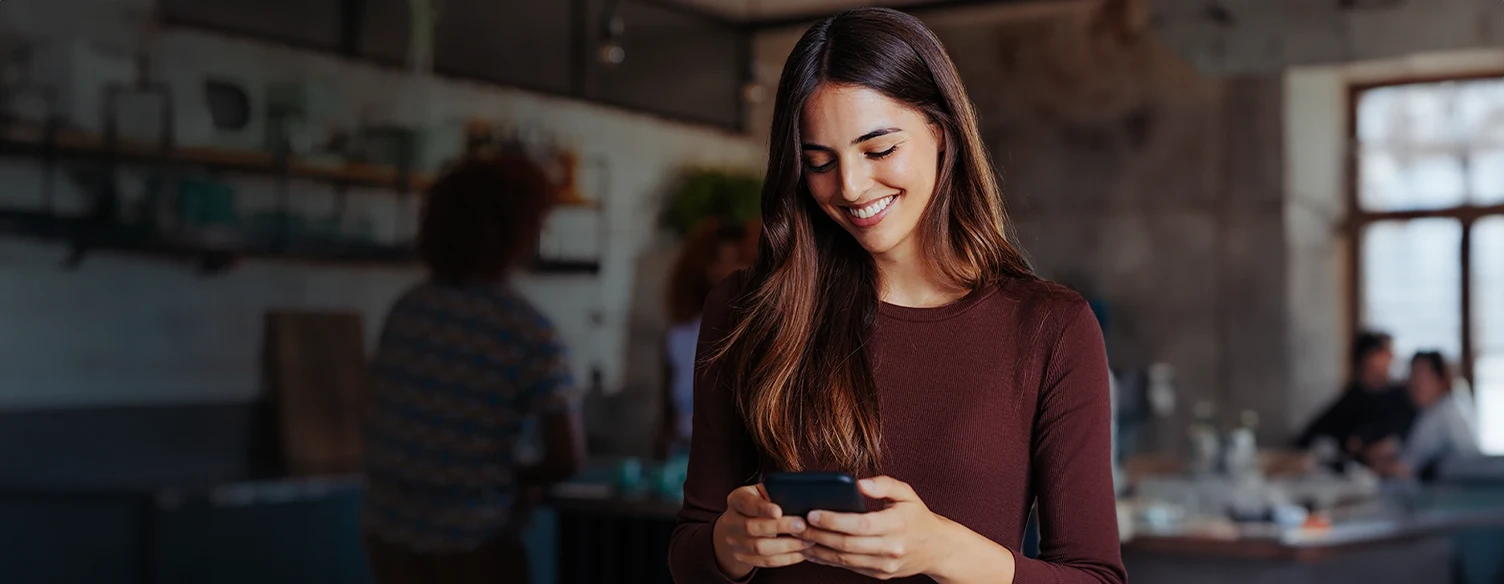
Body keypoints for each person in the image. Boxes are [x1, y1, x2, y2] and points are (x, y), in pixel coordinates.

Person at [667, 8, 1126, 584]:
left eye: (878, 150)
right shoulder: (749, 308)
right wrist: (729, 543)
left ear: (941, 132)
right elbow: (690, 553)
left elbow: (1096, 577)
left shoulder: (1049, 327)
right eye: (819, 162)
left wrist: (941, 550)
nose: (851, 188)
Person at [361, 155, 585, 584]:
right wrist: (511, 478)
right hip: (473, 543)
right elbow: (567, 457)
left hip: (387, 536)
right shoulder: (526, 331)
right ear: (515, 231)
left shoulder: (408, 308)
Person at [656, 219, 756, 460]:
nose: (725, 272)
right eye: (718, 262)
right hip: (684, 451)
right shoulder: (679, 336)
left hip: (739, 456)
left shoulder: (759, 333)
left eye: (736, 262)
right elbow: (667, 409)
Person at [1295, 331, 1416, 458]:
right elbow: (1311, 438)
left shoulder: (1401, 396)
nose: (1391, 357)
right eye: (1384, 352)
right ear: (1368, 358)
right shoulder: (1350, 402)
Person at [1366, 351, 1479, 479]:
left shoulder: (1440, 416)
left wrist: (1372, 463)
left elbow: (1406, 470)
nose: (1415, 385)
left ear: (1441, 381)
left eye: (1422, 378)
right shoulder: (1434, 411)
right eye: (1412, 377)